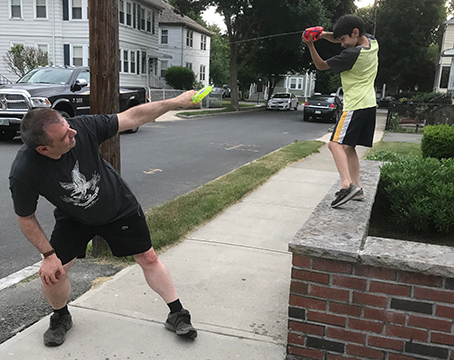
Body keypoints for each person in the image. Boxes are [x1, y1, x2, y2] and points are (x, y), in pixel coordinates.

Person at [9, 90, 199, 347]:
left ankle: (177, 313)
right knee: (53, 273)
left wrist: (175, 102)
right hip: (73, 217)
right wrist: (47, 255)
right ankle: (61, 316)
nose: (72, 133)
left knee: (148, 257)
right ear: (44, 148)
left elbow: (131, 117)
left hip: (118, 206)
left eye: (67, 125)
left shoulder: (81, 127)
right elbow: (26, 217)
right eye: (65, 136)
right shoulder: (24, 171)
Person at [302, 15, 379, 208]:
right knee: (348, 147)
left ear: (354, 33)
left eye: (343, 40)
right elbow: (341, 37)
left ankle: (347, 186)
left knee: (334, 144)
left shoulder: (351, 55)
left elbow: (320, 66)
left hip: (355, 105)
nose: (342, 44)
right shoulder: (372, 41)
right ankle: (358, 188)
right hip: (370, 104)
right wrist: (322, 34)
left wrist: (311, 45)